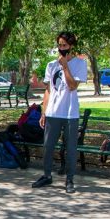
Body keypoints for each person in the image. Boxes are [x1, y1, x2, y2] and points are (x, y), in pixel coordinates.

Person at [32, 31, 87, 194]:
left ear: (71, 46)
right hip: (53, 112)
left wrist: (64, 65)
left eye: (64, 45)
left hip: (70, 113)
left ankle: (69, 179)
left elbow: (72, 86)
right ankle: (47, 175)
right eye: (59, 45)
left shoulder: (79, 64)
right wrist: (44, 111)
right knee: (48, 146)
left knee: (70, 148)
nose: (61, 48)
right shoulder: (51, 65)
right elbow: (49, 90)